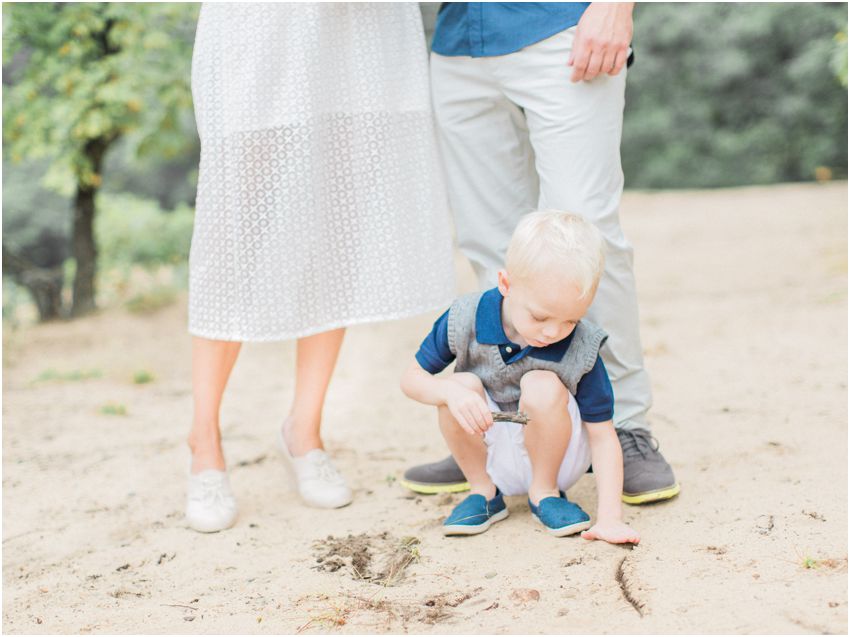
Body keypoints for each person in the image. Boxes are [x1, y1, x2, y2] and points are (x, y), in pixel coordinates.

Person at [185, 3, 455, 533]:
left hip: (354, 37)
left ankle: (304, 430)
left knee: (335, 229)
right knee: (233, 243)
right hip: (261, 33)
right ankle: (204, 440)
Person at [401, 2, 679, 505]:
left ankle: (625, 425)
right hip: (459, 40)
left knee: (590, 239)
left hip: (563, 26)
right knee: (492, 246)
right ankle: (495, 432)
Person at [401, 211, 640, 543]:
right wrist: (449, 394)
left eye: (570, 320)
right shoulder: (465, 317)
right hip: (491, 453)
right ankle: (483, 492)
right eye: (540, 316)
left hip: (559, 459)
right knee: (457, 385)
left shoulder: (581, 346)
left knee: (540, 383)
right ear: (506, 284)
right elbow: (411, 379)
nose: (554, 332)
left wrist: (611, 518)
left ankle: (545, 493)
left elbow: (602, 436)